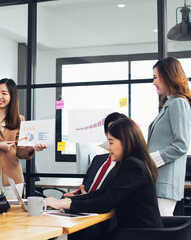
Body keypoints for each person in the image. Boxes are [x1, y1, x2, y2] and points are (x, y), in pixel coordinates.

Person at [46, 118, 163, 239]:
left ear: (125, 142)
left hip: (138, 234)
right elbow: (103, 192)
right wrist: (66, 202)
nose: (108, 148)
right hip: (132, 232)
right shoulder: (131, 163)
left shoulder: (133, 166)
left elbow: (105, 203)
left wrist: (65, 204)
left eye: (111, 142)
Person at [0, 78, 47, 198]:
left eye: (4, 93)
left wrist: (31, 148)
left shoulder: (19, 119)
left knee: (13, 214)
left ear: (12, 96)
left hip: (12, 177)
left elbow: (21, 152)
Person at [148, 57, 191, 216]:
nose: (153, 82)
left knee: (159, 231)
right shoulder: (169, 103)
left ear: (167, 76)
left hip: (166, 183)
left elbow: (180, 145)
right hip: (159, 182)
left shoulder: (178, 103)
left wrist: (149, 161)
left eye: (155, 77)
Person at [64, 112, 127, 198]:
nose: (115, 133)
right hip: (84, 207)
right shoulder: (98, 160)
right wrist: (77, 195)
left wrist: (84, 200)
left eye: (118, 131)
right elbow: (84, 188)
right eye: (111, 130)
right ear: (106, 134)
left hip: (100, 209)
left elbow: (109, 199)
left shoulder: (127, 166)